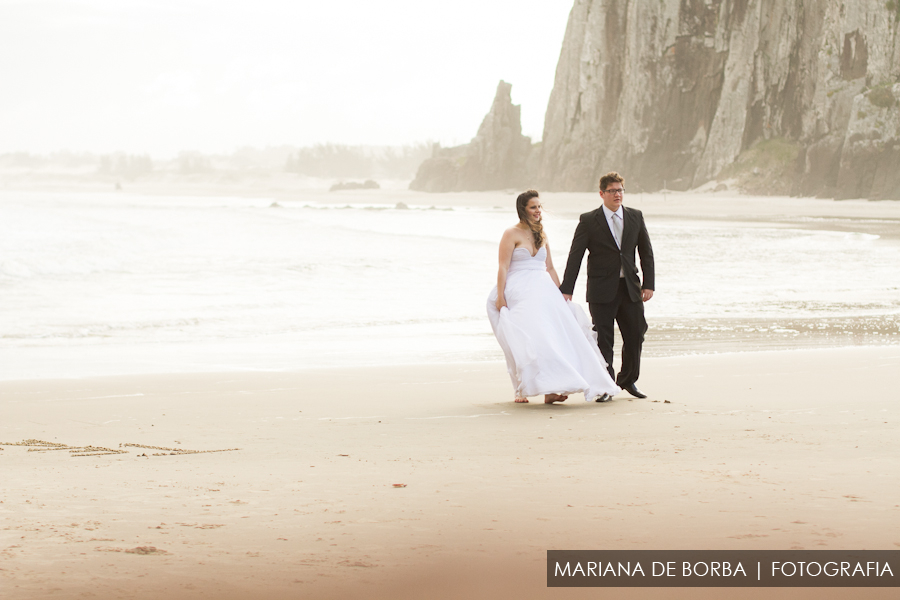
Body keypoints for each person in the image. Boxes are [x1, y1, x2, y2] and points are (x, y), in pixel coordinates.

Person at [486, 190, 621, 404]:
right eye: (533, 207)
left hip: (544, 290)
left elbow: (549, 267)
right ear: (523, 209)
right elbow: (503, 267)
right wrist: (500, 296)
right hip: (519, 290)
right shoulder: (510, 233)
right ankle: (520, 388)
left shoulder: (542, 233)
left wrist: (562, 294)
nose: (538, 211)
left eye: (539, 206)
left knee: (554, 336)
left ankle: (552, 389)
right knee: (527, 339)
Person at [559, 172, 655, 399]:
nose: (617, 194)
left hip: (630, 288)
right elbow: (576, 255)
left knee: (636, 333)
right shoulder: (589, 220)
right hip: (601, 289)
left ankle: (628, 380)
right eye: (612, 191)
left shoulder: (635, 216)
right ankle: (605, 386)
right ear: (602, 194)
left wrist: (649, 283)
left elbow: (646, 253)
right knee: (604, 339)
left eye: (620, 190)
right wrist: (566, 289)